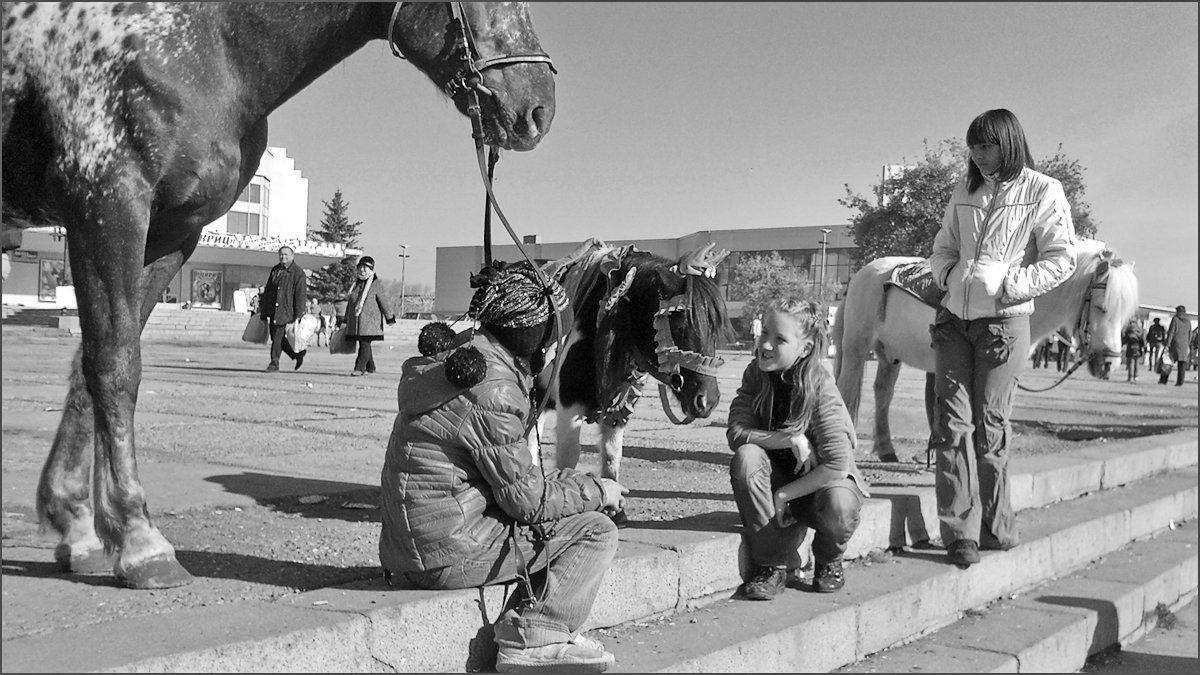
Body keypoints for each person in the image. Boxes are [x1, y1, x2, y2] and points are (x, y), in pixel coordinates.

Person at [378, 261, 628, 673]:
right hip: (446, 553)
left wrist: (574, 482)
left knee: (572, 502)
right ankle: (534, 637)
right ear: (539, 339)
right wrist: (601, 491)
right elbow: (527, 502)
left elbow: (513, 479)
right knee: (597, 531)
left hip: (414, 547)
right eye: (555, 336)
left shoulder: (460, 361)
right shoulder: (493, 389)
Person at [926, 109, 1077, 567]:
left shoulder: (1043, 189)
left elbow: (1062, 257)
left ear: (1009, 143)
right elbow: (943, 246)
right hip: (954, 321)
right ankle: (960, 535)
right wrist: (949, 275)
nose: (977, 154)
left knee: (989, 430)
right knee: (951, 428)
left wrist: (1009, 285)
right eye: (972, 145)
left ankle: (996, 526)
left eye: (986, 145)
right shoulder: (965, 187)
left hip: (1003, 326)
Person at [727, 299, 868, 600]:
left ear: (804, 349)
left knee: (841, 504)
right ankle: (772, 565)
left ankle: (829, 559)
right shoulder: (755, 374)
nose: (765, 345)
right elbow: (737, 433)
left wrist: (784, 495)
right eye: (764, 333)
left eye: (779, 339)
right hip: (777, 479)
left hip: (819, 489)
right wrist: (789, 439)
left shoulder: (820, 385)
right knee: (746, 459)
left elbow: (837, 465)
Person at [341, 256, 397, 377]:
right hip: (357, 322)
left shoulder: (376, 284)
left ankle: (359, 368)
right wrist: (345, 319)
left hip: (371, 322)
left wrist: (390, 318)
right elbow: (351, 303)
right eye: (360, 267)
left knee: (365, 344)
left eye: (365, 268)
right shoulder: (356, 284)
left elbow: (384, 301)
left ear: (371, 269)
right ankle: (371, 367)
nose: (362, 270)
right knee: (364, 343)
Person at [259, 246, 308, 372]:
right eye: (281, 254)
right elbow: (269, 290)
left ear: (292, 256)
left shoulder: (298, 273)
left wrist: (298, 314)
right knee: (276, 337)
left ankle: (274, 363)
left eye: (286, 254)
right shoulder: (275, 270)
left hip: (286, 310)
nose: (283, 257)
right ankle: (296, 355)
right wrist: (264, 310)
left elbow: (300, 295)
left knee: (277, 338)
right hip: (273, 310)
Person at [1158, 305, 1192, 387]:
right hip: (1184, 344)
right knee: (1182, 364)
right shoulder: (1188, 320)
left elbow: (1171, 332)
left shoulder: (1175, 319)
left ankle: (1163, 380)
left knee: (1168, 362)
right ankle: (1180, 382)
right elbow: (1190, 333)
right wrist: (1188, 343)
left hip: (1174, 343)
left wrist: (1168, 344)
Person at [1121, 319, 1146, 383]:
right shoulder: (1140, 330)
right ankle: (1136, 376)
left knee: (1131, 362)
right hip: (1138, 347)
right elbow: (1143, 340)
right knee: (1137, 362)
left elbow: (1125, 339)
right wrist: (1144, 346)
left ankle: (1130, 377)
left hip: (1130, 347)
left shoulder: (1128, 330)